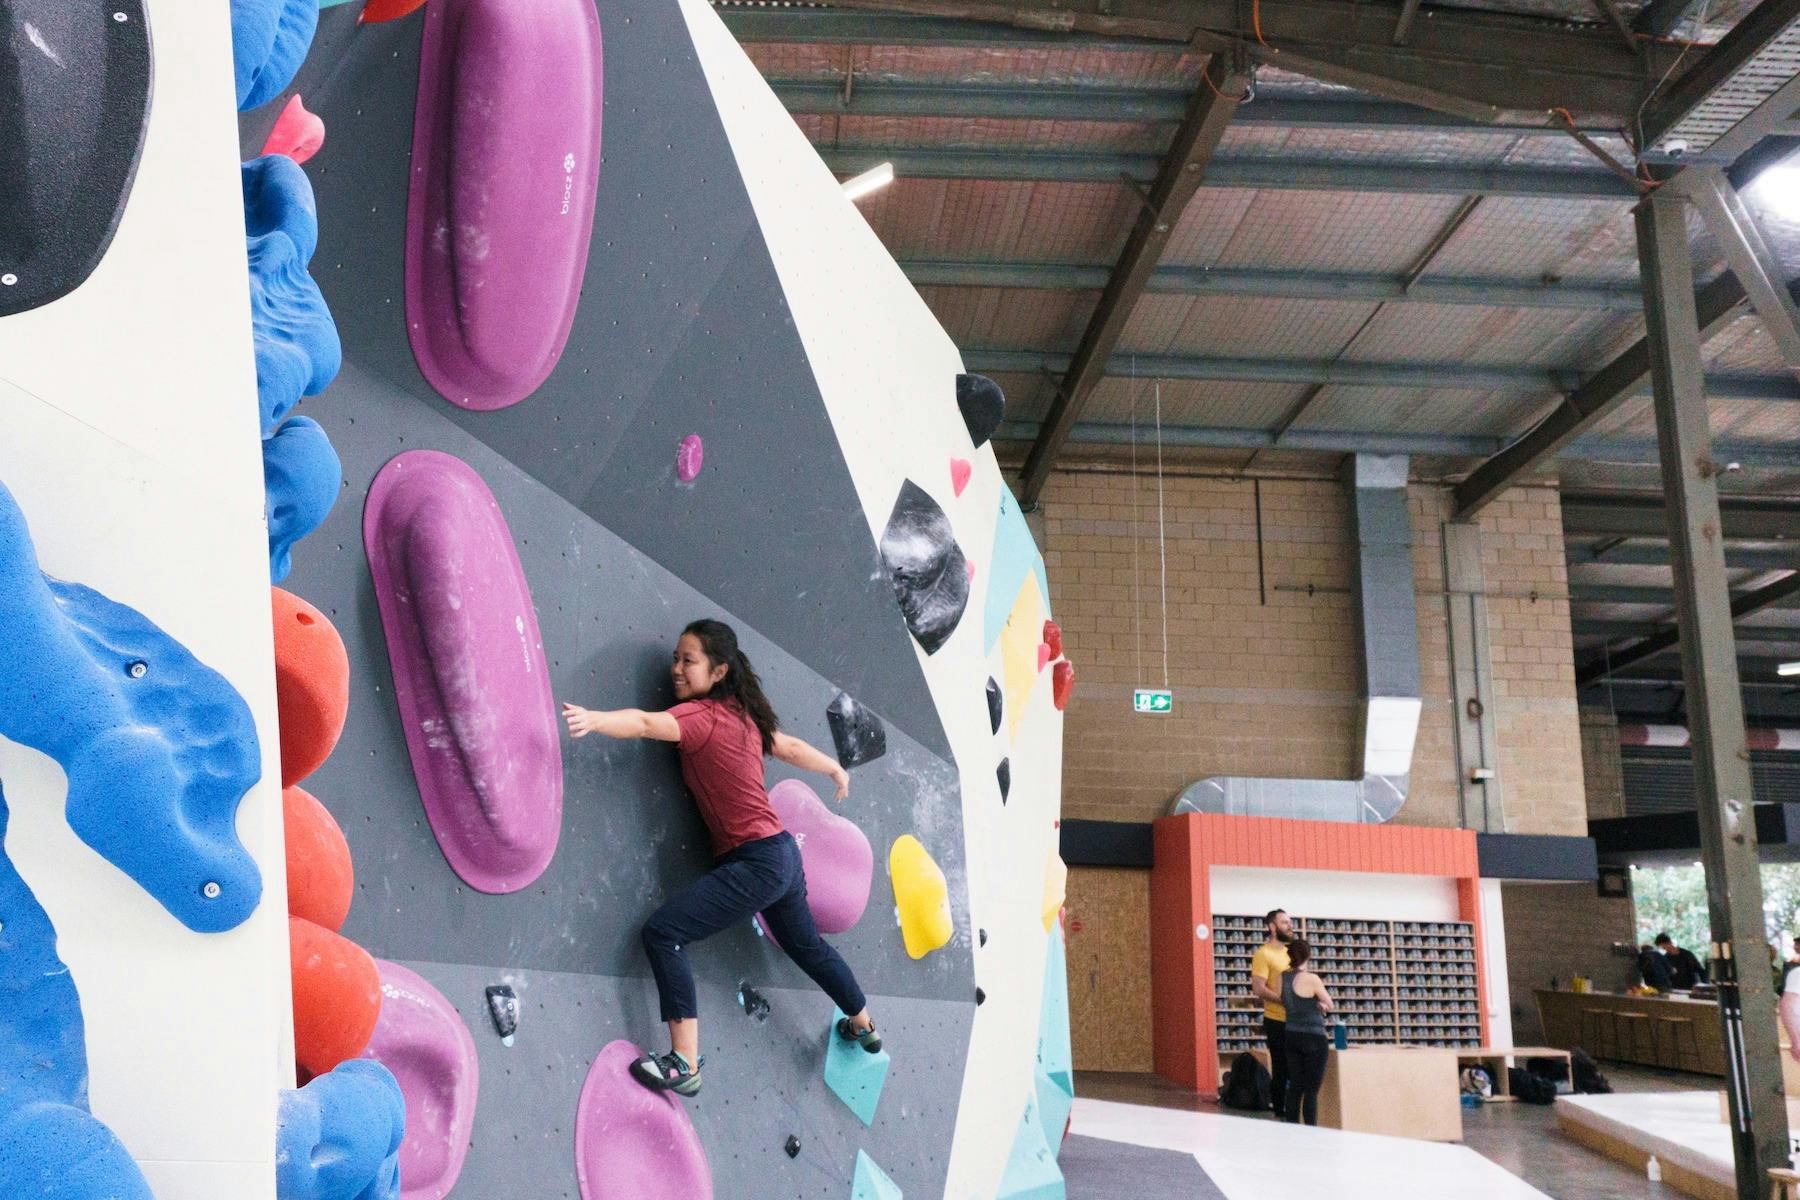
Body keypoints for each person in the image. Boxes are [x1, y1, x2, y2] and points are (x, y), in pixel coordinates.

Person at [561, 618, 880, 1097]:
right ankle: (863, 1023)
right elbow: (788, 746)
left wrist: (594, 718)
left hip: (758, 861)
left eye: (689, 661)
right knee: (807, 947)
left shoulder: (702, 717)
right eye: (676, 659)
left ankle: (683, 1061)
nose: (676, 669)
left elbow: (648, 723)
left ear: (719, 671)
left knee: (664, 933)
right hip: (782, 856)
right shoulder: (742, 717)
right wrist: (832, 766)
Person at [1280, 938, 1334, 1125]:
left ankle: (1291, 1128)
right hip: (1313, 1037)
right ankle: (1311, 1130)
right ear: (1308, 955)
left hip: (1291, 1034)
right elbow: (1329, 1004)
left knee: (1295, 1086)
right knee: (1311, 1090)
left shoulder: (1283, 977)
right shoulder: (1312, 979)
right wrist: (1320, 1005)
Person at [1250, 908, 1294, 1117]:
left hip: (1297, 1020)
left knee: (1298, 1067)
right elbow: (1258, 988)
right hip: (1276, 1019)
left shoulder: (1292, 952)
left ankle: (1295, 1107)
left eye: (1290, 922)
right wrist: (1284, 1001)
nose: (1290, 925)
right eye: (1285, 922)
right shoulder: (1263, 954)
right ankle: (1280, 1110)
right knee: (1282, 1066)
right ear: (1272, 927)